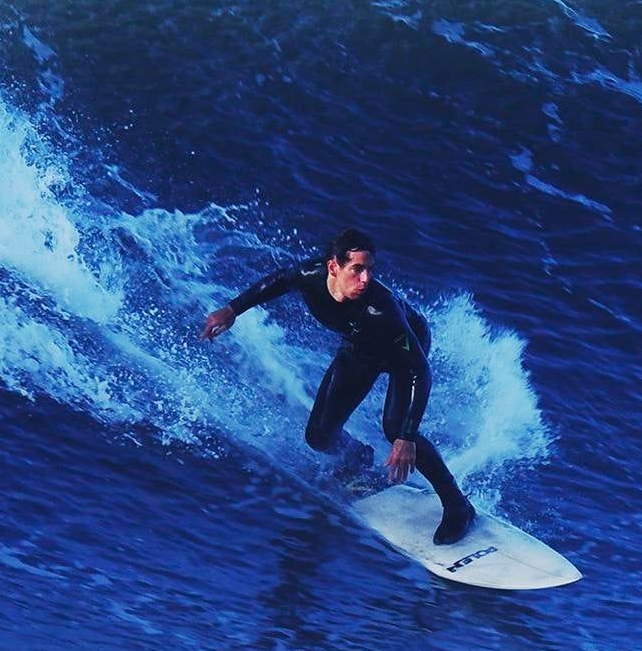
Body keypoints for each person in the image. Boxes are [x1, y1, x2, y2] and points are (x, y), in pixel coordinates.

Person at [200, 229, 481, 546]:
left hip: (403, 349)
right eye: (357, 269)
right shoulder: (311, 275)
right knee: (319, 435)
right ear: (333, 267)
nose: (365, 279)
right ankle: (357, 458)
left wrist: (406, 436)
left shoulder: (382, 310)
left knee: (396, 428)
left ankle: (458, 505)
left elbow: (419, 369)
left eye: (370, 270)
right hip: (361, 346)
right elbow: (280, 280)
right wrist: (232, 309)